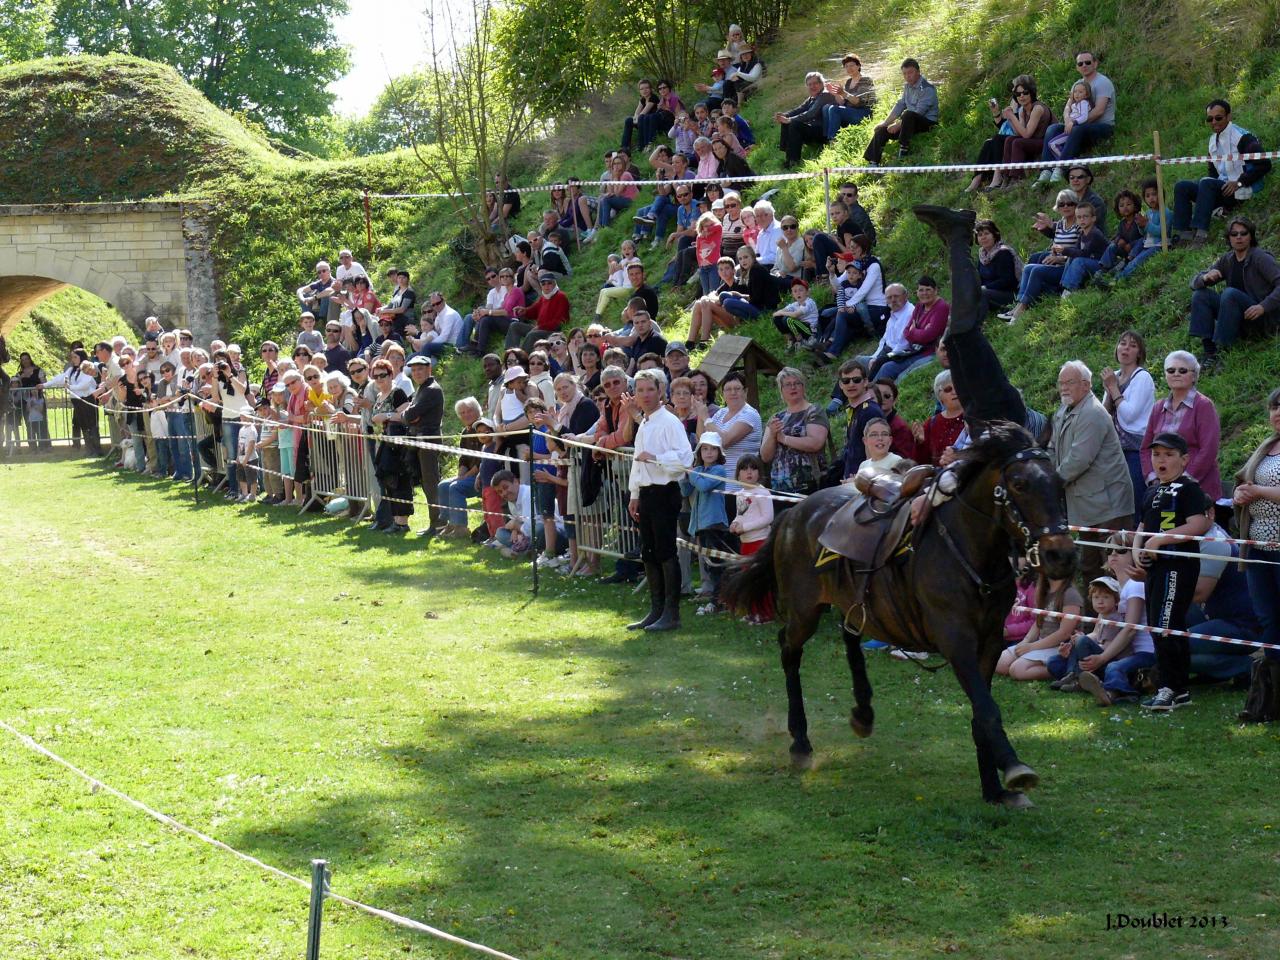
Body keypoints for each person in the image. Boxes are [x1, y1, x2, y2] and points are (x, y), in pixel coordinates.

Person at [1134, 432, 1211, 711]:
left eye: (1168, 454)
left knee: (1167, 625)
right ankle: (1176, 689)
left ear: (1184, 459)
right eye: (1156, 454)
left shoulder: (1188, 488)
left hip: (1178, 567)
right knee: (1158, 625)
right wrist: (1136, 552)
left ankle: (1171, 687)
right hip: (1155, 568)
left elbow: (1199, 524)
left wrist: (1161, 540)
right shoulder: (1151, 489)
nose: (1161, 460)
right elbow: (1143, 528)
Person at [1048, 360, 1135, 601]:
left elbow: (1079, 459)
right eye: (1061, 382)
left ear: (1086, 385)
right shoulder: (1062, 412)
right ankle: (1094, 630)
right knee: (1089, 568)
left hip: (1109, 505)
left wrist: (1050, 485)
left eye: (1070, 382)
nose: (1064, 387)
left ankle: (1122, 629)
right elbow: (1052, 450)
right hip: (1085, 506)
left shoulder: (1092, 412)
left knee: (1114, 568)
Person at [627, 368, 694, 632]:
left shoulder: (669, 422)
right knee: (649, 551)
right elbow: (637, 460)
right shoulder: (644, 422)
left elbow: (685, 459)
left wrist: (655, 458)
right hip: (647, 493)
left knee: (666, 552)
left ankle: (671, 612)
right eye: (640, 390)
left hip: (665, 492)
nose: (644, 395)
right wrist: (634, 494)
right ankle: (656, 609)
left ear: (661, 391)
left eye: (650, 389)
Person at [1172, 99, 1271, 246]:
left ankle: (1201, 234)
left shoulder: (1242, 137)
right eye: (1209, 119)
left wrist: (1239, 182)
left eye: (1218, 118)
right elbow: (1213, 173)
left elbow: (1264, 164)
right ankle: (1183, 234)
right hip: (1222, 189)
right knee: (1182, 186)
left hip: (1241, 189)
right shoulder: (1212, 141)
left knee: (1206, 183)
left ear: (1229, 117)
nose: (1214, 122)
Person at [1188, 217, 1280, 370]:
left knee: (1229, 294)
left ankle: (1223, 351)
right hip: (1238, 317)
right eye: (1234, 234)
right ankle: (1210, 352)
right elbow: (1194, 282)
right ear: (1228, 237)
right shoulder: (1227, 259)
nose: (1239, 237)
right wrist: (1205, 277)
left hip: (1262, 318)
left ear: (1251, 236)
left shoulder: (1260, 257)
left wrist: (1263, 306)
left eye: (1243, 233)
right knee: (1200, 295)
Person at [999, 195, 1106, 323]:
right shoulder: (1081, 231)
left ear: (1093, 218)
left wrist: (1062, 253)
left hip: (1097, 264)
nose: (1082, 220)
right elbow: (1074, 249)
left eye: (1085, 217)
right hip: (1071, 262)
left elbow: (1084, 253)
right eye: (1079, 217)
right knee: (1028, 267)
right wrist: (1057, 251)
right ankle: (1020, 304)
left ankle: (1026, 306)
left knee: (1043, 269)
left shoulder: (1093, 233)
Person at [1234, 387, 1280, 665]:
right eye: (1274, 407)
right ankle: (1273, 695)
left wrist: (1260, 492)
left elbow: (1260, 489)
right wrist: (1241, 494)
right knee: (1268, 617)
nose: (1278, 413)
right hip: (1256, 545)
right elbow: (1245, 482)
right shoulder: (1266, 446)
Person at [1140, 351, 1221, 500]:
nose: (1176, 374)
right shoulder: (1158, 407)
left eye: (1182, 370)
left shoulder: (1203, 406)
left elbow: (1209, 450)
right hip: (1162, 489)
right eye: (1171, 370)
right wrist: (1153, 478)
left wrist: (1183, 481)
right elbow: (1145, 448)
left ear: (1194, 376)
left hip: (1197, 489)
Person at [1100, 330, 1156, 521]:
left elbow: (1130, 415)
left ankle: (1140, 542)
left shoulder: (1142, 378)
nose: (1126, 349)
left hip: (1135, 449)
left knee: (1136, 499)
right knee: (1117, 501)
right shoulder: (1114, 376)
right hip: (1114, 448)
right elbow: (1103, 415)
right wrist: (1109, 390)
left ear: (1139, 353)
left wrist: (1113, 388)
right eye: (1122, 343)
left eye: (1132, 346)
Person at [1036, 51, 1116, 182]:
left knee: (1077, 129)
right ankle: (1046, 170)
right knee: (1052, 129)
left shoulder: (1103, 82)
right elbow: (1068, 107)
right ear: (1077, 67)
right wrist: (1068, 121)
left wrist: (1075, 124)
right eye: (1080, 63)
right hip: (1077, 125)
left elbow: (1099, 111)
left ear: (1095, 64)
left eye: (1088, 62)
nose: (1084, 65)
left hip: (1102, 127)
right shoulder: (1077, 85)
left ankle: (1061, 168)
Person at [682, 432, 732, 615]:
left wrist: (692, 472)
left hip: (714, 523)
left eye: (713, 449)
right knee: (709, 564)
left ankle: (719, 600)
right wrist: (684, 475)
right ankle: (718, 599)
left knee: (716, 564)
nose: (709, 453)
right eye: (705, 449)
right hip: (701, 524)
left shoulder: (719, 471)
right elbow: (686, 490)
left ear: (719, 453)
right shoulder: (699, 471)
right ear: (699, 452)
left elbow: (703, 486)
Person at [760, 367, 829, 497]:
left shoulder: (814, 411)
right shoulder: (776, 418)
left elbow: (815, 443)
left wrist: (784, 438)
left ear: (803, 387)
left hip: (811, 485)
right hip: (780, 487)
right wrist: (772, 437)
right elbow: (765, 456)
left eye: (797, 383)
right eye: (787, 385)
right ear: (781, 390)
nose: (793, 387)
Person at [996, 577, 1082, 680]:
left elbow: (1064, 633)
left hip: (1060, 647)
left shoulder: (1070, 594)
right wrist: (1026, 641)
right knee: (1000, 663)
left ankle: (1063, 668)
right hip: (1040, 642)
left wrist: (1031, 647)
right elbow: (1038, 622)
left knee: (1017, 670)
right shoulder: (1042, 590)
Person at [368, 358, 416, 534]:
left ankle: (402, 522)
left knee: (399, 481)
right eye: (376, 376)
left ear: (390, 375)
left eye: (383, 375)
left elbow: (405, 415)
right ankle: (394, 520)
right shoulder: (379, 396)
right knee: (387, 481)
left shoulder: (398, 393)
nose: (380, 379)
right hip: (383, 444)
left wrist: (386, 415)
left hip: (397, 446)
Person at [979, 76, 1051, 191]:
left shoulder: (1037, 108)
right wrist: (1010, 119)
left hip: (1045, 141)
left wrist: (1012, 116)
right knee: (1010, 139)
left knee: (1017, 142)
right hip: (1034, 140)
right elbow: (1019, 133)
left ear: (1031, 93)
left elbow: (1026, 134)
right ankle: (1006, 177)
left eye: (1025, 93)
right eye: (1018, 94)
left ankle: (1016, 177)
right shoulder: (1022, 110)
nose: (1021, 96)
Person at [863, 58, 939, 165]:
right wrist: (886, 123)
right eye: (905, 74)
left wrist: (898, 125)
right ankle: (873, 162)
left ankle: (904, 148)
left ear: (918, 72)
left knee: (908, 114)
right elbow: (900, 105)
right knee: (881, 130)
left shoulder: (927, 88)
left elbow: (919, 112)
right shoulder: (907, 86)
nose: (908, 76)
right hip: (908, 122)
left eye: (910, 72)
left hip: (927, 123)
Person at [401, 355, 445, 536]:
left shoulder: (431, 390)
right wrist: (409, 415)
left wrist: (409, 414)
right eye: (414, 369)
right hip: (421, 440)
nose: (417, 372)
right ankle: (435, 523)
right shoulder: (423, 389)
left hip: (428, 440)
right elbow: (410, 415)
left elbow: (410, 415)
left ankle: (439, 524)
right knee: (427, 484)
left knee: (431, 483)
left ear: (429, 370)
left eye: (420, 369)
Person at [876, 276, 948, 381]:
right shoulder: (919, 306)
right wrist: (920, 332)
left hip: (930, 352)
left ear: (936, 290)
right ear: (917, 292)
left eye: (928, 290)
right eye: (921, 290)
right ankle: (872, 392)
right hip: (915, 351)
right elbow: (906, 332)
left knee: (902, 378)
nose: (924, 293)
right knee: (887, 367)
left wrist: (914, 331)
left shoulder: (941, 307)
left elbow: (928, 335)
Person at [774, 72, 837, 168]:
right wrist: (784, 115)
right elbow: (800, 109)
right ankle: (789, 158)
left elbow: (810, 113)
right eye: (809, 84)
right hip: (813, 129)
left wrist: (789, 119)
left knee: (794, 123)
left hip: (823, 132)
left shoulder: (825, 95)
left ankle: (794, 160)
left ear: (821, 84)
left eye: (815, 83)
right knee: (787, 123)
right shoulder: (812, 97)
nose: (812, 86)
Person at [912, 369, 965, 466]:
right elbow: (921, 463)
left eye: (957, 386)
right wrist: (921, 443)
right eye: (948, 389)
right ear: (939, 396)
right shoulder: (931, 423)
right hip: (939, 476)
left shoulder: (974, 416)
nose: (954, 392)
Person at [509, 273, 571, 351]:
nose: (546, 286)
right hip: (540, 329)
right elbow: (533, 311)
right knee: (514, 326)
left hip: (553, 332)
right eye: (543, 284)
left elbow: (560, 321)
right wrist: (523, 311)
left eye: (549, 283)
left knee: (532, 334)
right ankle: (510, 352)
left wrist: (540, 327)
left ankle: (521, 358)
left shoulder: (561, 296)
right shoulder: (543, 297)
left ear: (555, 284)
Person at [823, 54, 877, 140]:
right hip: (852, 112)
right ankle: (825, 138)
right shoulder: (848, 82)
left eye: (852, 65)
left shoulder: (865, 80)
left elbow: (858, 102)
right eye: (846, 66)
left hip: (864, 113)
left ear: (858, 66)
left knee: (834, 109)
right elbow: (843, 103)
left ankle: (832, 140)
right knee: (826, 107)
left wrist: (843, 93)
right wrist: (835, 93)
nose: (849, 68)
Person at [973, 219, 1020, 311]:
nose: (983, 237)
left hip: (1009, 293)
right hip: (990, 292)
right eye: (980, 235)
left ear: (994, 235)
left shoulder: (1003, 253)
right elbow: (979, 278)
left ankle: (977, 321)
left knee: (982, 293)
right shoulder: (983, 255)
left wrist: (985, 287)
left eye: (987, 233)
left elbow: (1007, 281)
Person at [772, 278, 820, 351]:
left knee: (788, 319)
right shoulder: (794, 304)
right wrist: (780, 312)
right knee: (777, 319)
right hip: (799, 327)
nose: (798, 293)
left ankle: (803, 339)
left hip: (810, 330)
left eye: (801, 290)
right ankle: (791, 340)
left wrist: (781, 312)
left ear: (807, 292)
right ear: (793, 294)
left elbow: (795, 315)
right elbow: (775, 314)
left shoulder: (809, 302)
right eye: (795, 291)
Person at [620, 79, 660, 151]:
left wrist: (637, 119)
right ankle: (624, 146)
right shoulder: (643, 99)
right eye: (642, 89)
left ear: (650, 89)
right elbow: (637, 113)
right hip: (642, 122)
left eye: (646, 88)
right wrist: (635, 119)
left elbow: (644, 112)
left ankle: (641, 145)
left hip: (651, 122)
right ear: (639, 91)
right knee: (628, 120)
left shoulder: (653, 98)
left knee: (641, 118)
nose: (644, 90)